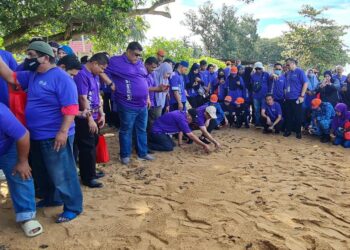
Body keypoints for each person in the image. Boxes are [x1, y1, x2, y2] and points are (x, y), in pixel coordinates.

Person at [0, 41, 83, 223]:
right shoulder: (33, 75)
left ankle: (73, 207)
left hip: (55, 135)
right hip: (36, 135)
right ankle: (53, 198)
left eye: (31, 55)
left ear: (45, 57)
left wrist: (62, 132)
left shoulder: (61, 78)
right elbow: (10, 77)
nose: (27, 59)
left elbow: (71, 108)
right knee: (45, 172)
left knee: (63, 173)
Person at [105, 42, 154, 165]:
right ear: (128, 51)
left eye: (139, 55)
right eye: (135, 54)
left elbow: (143, 81)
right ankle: (125, 155)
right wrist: (110, 84)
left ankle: (142, 153)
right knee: (126, 130)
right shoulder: (115, 61)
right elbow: (101, 71)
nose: (137, 57)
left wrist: (147, 97)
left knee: (142, 129)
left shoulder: (140, 64)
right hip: (127, 104)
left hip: (142, 104)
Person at [0, 103, 43, 237]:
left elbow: (23, 135)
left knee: (20, 173)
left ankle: (26, 216)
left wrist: (23, 161)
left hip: (7, 147)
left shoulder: (1, 112)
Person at [74, 53, 109, 188]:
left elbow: (97, 96)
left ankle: (91, 171)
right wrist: (89, 119)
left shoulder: (95, 75)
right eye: (101, 67)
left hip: (95, 115)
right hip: (84, 117)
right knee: (87, 147)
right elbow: (82, 98)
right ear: (94, 63)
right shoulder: (81, 74)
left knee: (93, 143)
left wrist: (102, 113)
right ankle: (88, 177)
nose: (102, 71)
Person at [283, 58, 308, 139]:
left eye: (288, 64)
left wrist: (302, 96)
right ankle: (289, 130)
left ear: (293, 63)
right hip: (288, 98)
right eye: (286, 64)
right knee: (288, 115)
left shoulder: (300, 72)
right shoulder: (288, 73)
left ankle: (298, 132)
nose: (287, 66)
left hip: (297, 98)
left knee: (298, 116)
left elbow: (305, 83)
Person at [145, 57, 168, 129]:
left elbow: (154, 88)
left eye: (155, 68)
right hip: (144, 102)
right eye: (152, 67)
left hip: (152, 102)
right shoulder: (142, 75)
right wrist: (157, 88)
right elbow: (143, 89)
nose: (154, 69)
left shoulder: (151, 74)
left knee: (151, 122)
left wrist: (160, 89)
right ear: (146, 65)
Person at [250, 62, 270, 127]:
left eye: (259, 68)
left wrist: (269, 94)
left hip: (264, 96)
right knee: (256, 110)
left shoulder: (266, 74)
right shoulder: (253, 75)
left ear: (262, 68)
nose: (258, 70)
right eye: (257, 68)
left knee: (264, 109)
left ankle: (264, 123)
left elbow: (270, 84)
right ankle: (257, 122)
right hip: (256, 96)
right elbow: (251, 85)